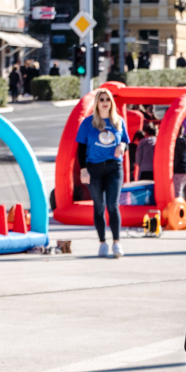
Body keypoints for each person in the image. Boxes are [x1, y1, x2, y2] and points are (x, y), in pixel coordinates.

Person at [77, 88, 129, 259]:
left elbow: (125, 142)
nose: (105, 102)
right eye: (101, 99)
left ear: (111, 102)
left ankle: (117, 243)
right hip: (94, 169)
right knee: (99, 207)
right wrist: (83, 169)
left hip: (114, 167)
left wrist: (123, 146)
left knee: (112, 205)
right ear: (97, 103)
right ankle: (102, 243)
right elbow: (81, 148)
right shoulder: (88, 123)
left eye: (107, 99)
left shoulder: (118, 121)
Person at [173, 125, 186, 203]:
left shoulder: (177, 142)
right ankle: (181, 204)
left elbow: (177, 157)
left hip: (179, 169)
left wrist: (174, 168)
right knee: (179, 189)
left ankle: (179, 206)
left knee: (177, 190)